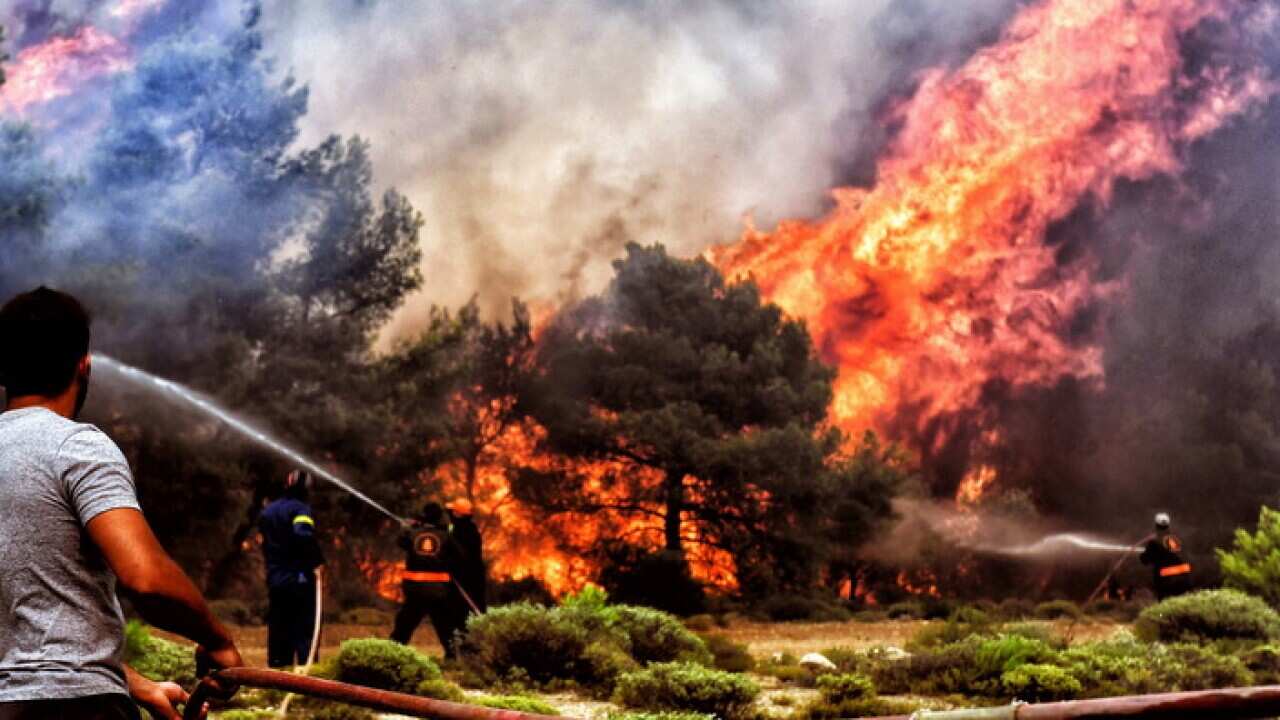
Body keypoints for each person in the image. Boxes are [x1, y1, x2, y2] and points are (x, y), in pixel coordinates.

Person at [0, 287, 243, 720]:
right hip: (76, 709)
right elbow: (146, 579)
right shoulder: (76, 446)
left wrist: (135, 683)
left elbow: (31, 633)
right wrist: (217, 641)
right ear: (83, 366)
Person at [259, 469, 325, 668]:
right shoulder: (300, 510)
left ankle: (278, 674)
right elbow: (302, 535)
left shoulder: (268, 511)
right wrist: (317, 562)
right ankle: (308, 678)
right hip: (300, 580)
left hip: (276, 580)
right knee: (305, 630)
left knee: (279, 629)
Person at [390, 502, 466, 658]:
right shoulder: (446, 536)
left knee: (404, 625)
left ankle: (392, 653)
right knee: (445, 626)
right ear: (439, 517)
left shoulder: (413, 534)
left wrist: (405, 528)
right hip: (438, 592)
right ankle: (452, 656)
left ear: (423, 516)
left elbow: (400, 542)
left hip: (415, 591)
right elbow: (461, 557)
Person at [1139, 512, 1192, 600]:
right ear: (1168, 525)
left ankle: (1162, 613)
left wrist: (1142, 555)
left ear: (1156, 526)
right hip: (1183, 578)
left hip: (1166, 580)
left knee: (1164, 602)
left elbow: (1145, 560)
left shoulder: (1154, 542)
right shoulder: (1176, 539)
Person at [448, 499, 487, 615]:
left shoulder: (459, 531)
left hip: (463, 576)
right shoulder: (472, 528)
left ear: (458, 514)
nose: (450, 514)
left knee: (464, 608)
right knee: (476, 606)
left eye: (452, 511)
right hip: (475, 574)